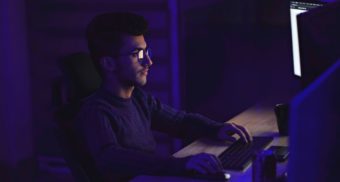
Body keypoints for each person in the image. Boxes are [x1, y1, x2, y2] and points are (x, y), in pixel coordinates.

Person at [73, 12, 252, 181]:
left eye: (146, 52)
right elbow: (112, 158)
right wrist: (179, 165)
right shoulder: (95, 110)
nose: (148, 62)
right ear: (108, 63)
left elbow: (180, 121)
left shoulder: (139, 99)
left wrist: (216, 128)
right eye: (137, 55)